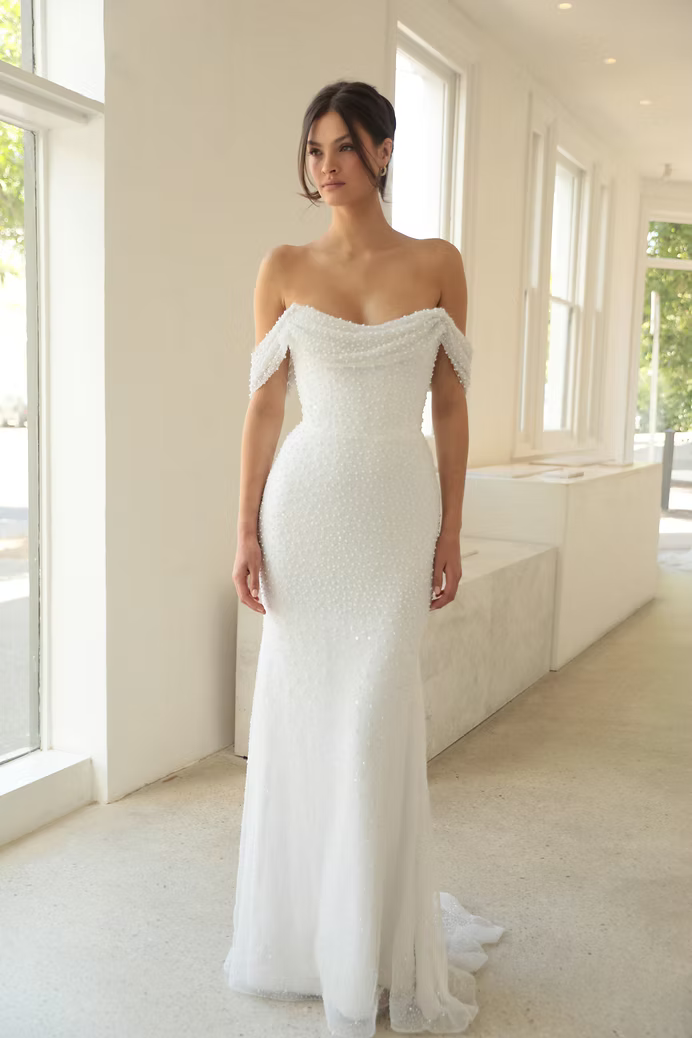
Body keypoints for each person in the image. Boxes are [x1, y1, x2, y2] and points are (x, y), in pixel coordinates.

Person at [224, 79, 506, 1038]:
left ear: (383, 151)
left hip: (394, 513)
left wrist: (453, 527)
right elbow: (266, 404)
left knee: (375, 719)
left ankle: (375, 943)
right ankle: (312, 940)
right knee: (309, 722)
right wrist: (245, 528)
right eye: (314, 150)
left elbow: (451, 404)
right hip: (305, 511)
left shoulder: (437, 263)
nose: (326, 165)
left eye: (344, 146)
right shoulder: (283, 266)